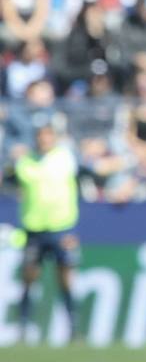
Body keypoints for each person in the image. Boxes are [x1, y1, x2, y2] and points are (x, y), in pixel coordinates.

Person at [12, 123, 80, 341]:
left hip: (62, 228)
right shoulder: (25, 162)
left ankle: (73, 328)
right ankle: (23, 327)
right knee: (29, 278)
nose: (44, 140)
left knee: (66, 278)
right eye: (41, 136)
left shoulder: (66, 158)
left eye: (48, 136)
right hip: (34, 230)